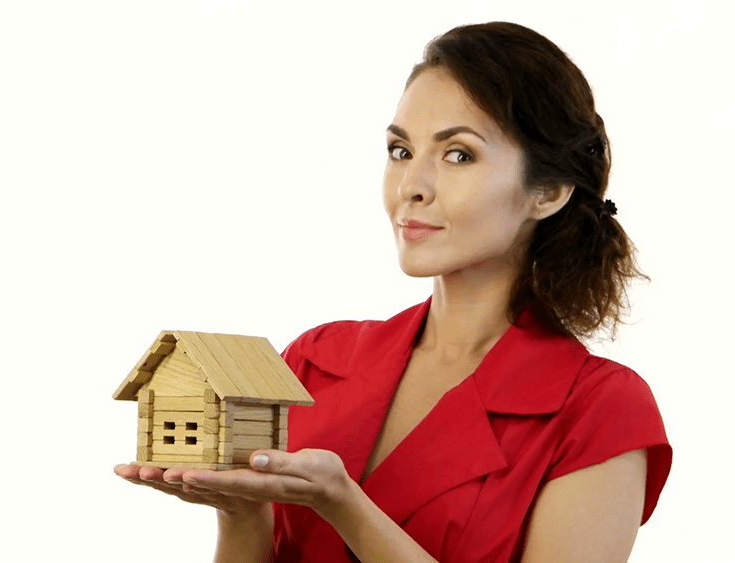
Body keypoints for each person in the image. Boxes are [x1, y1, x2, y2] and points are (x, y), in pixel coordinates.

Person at [114, 21, 671, 563]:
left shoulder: (599, 412)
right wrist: (242, 514)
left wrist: (344, 504)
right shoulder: (315, 362)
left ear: (546, 191)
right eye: (401, 151)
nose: (411, 187)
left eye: (459, 155)